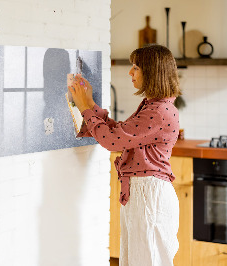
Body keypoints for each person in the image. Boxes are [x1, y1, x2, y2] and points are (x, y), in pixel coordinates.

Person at [69, 44, 181, 266]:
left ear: (152, 72)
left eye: (136, 67)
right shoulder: (154, 106)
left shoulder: (158, 111)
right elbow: (120, 133)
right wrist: (90, 104)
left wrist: (84, 108)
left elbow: (112, 141)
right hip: (144, 193)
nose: (130, 72)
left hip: (149, 195)